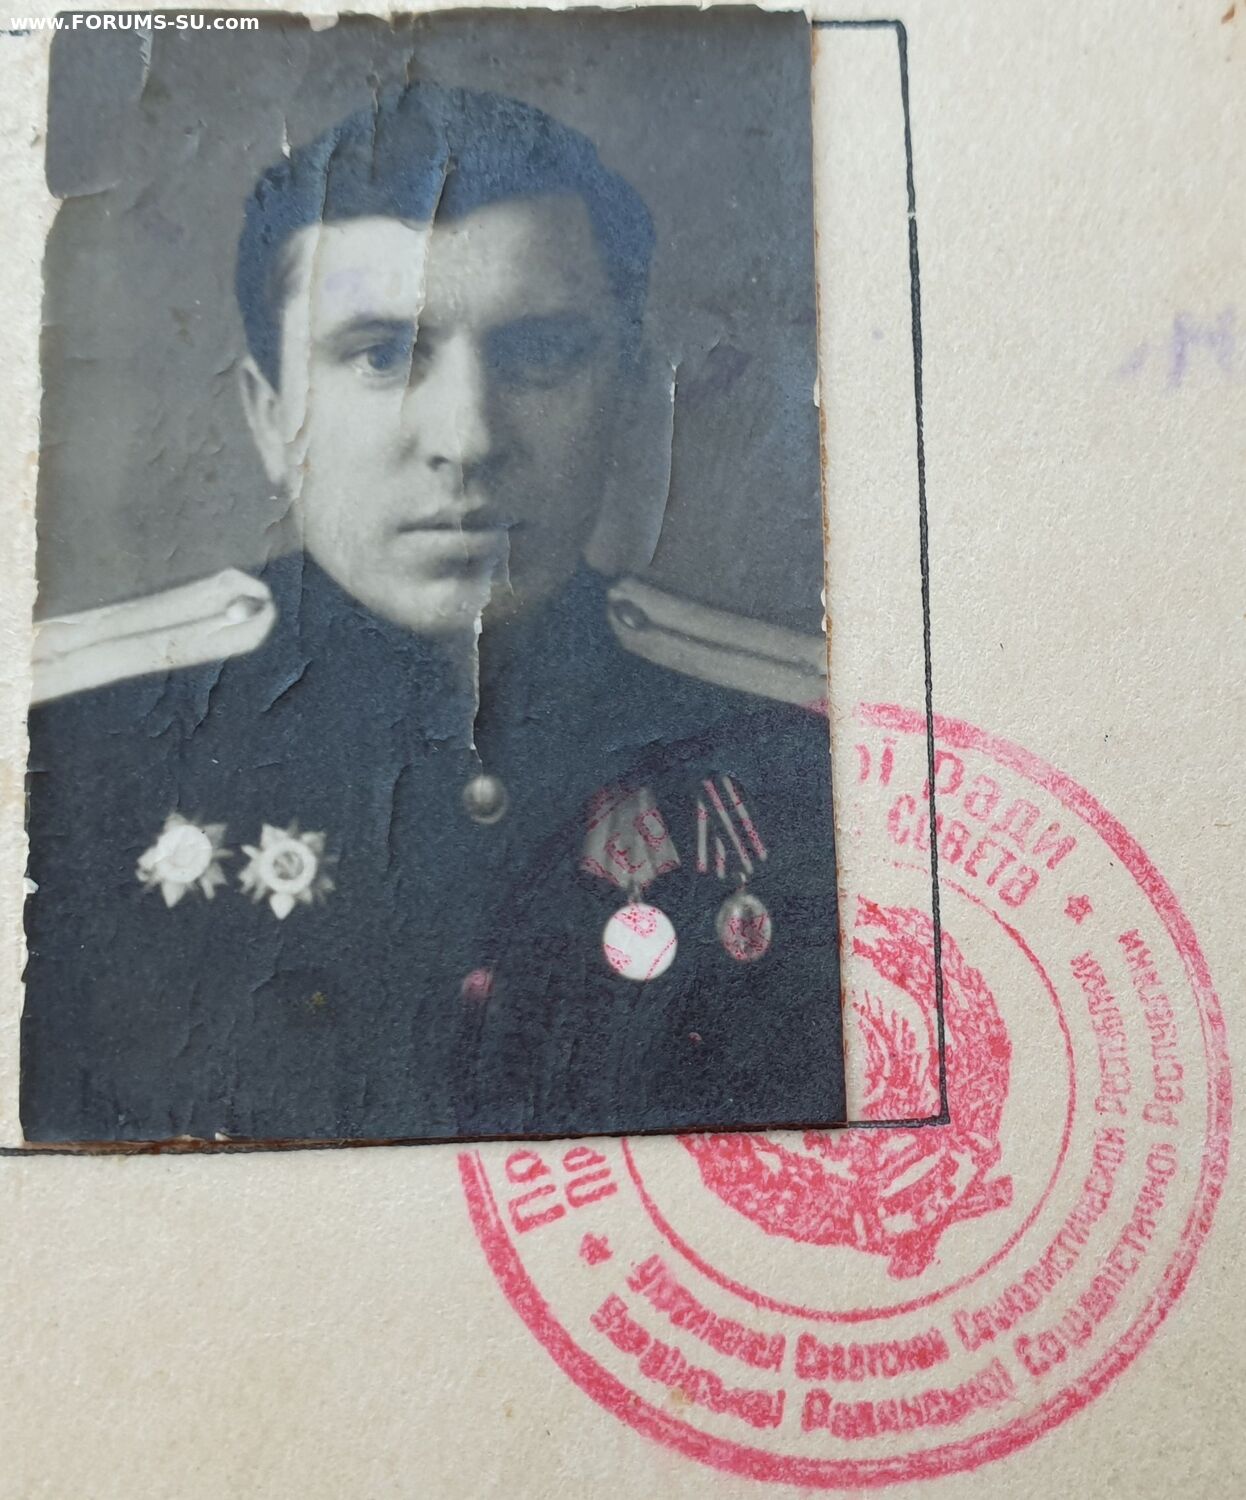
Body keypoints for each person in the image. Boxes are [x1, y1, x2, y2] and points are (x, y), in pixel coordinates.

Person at [21, 83, 844, 1144]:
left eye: (540, 354)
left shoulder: (797, 745)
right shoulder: (69, 748)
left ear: (631, 395)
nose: (467, 438)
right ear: (270, 419)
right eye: (379, 354)